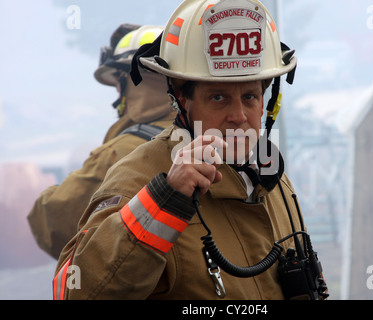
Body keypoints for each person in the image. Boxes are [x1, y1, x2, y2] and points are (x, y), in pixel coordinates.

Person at [53, 0, 328, 300]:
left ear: (266, 101)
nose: (239, 115)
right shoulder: (137, 178)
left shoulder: (272, 178)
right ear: (183, 100)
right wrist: (165, 201)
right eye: (219, 97)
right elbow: (74, 292)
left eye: (250, 95)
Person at [27, 24, 176, 260]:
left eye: (119, 83)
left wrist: (42, 192)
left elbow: (54, 221)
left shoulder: (119, 152)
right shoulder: (210, 138)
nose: (117, 96)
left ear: (134, 84)